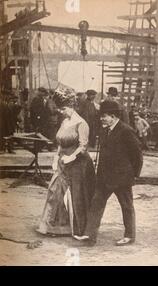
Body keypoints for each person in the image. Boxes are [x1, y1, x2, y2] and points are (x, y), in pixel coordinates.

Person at [75, 100, 143, 246]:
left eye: (104, 116)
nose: (101, 119)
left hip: (121, 178)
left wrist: (134, 175)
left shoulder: (126, 130)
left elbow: (137, 155)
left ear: (113, 116)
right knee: (96, 204)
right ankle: (89, 235)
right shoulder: (105, 130)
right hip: (105, 177)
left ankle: (129, 236)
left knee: (126, 206)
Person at [36, 89, 95, 237]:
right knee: (55, 191)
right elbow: (60, 142)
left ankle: (78, 228)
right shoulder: (64, 122)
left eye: (64, 108)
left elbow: (83, 146)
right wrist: (56, 157)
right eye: (60, 108)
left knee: (76, 195)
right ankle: (55, 226)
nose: (62, 111)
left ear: (73, 106)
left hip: (78, 163)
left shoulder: (82, 124)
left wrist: (71, 157)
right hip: (63, 162)